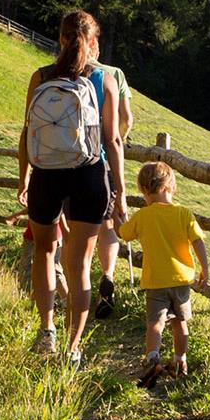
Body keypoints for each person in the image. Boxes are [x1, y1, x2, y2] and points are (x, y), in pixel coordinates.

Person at [17, 10, 128, 367]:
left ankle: (46, 330)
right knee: (79, 264)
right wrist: (120, 191)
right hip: (89, 174)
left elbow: (27, 132)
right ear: (93, 42)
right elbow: (112, 141)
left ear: (61, 39)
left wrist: (24, 178)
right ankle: (73, 347)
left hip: (46, 174)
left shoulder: (41, 76)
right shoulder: (104, 79)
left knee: (45, 254)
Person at [116, 161, 207, 380]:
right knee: (180, 322)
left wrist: (116, 219)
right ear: (170, 186)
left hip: (156, 281)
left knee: (155, 323)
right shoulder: (184, 213)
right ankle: (180, 360)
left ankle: (152, 357)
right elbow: (198, 242)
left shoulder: (143, 216)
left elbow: (124, 234)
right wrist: (205, 268)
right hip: (181, 280)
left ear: (144, 189)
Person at [88, 57, 133, 321]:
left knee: (76, 232)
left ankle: (73, 294)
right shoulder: (114, 74)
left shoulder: (61, 70)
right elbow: (126, 118)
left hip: (68, 160)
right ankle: (107, 276)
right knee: (107, 225)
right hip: (103, 160)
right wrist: (120, 139)